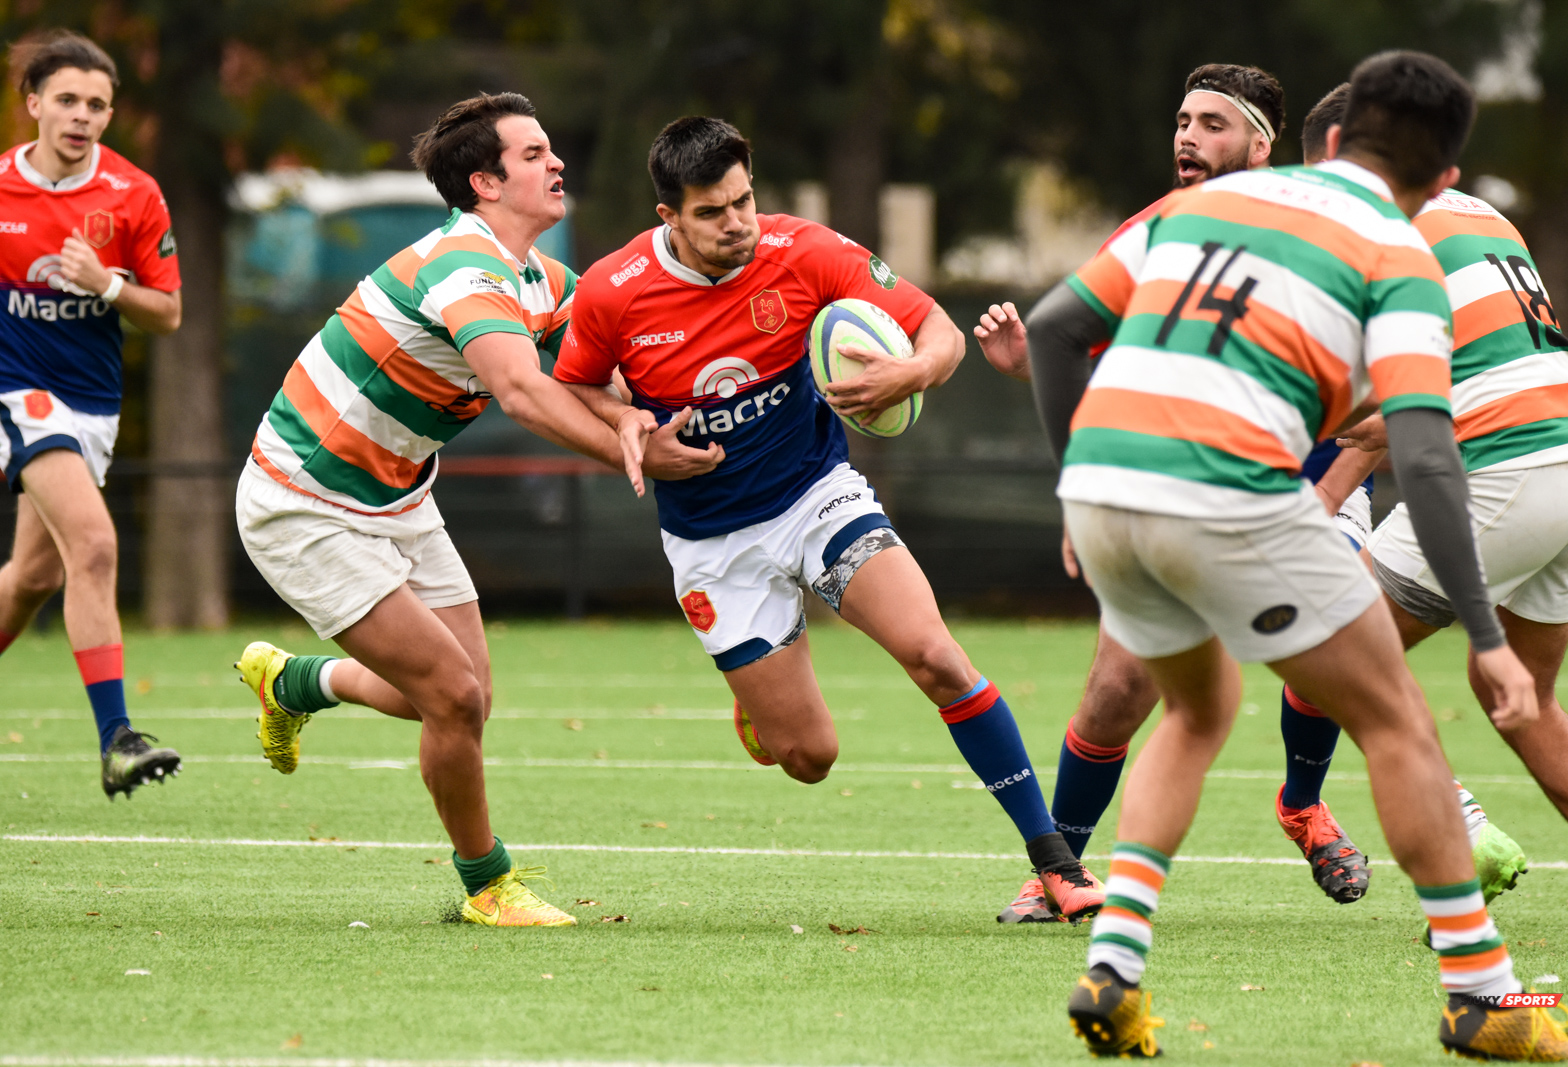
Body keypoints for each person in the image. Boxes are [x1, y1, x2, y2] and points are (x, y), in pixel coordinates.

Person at [1036, 50, 1568, 1060]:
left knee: (1195, 711)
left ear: (1329, 141)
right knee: (1395, 720)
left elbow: (1051, 328)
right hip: (1230, 488)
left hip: (1109, 481)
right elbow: (1426, 453)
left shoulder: (1201, 205)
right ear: (1443, 178)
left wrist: (1080, 483)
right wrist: (1484, 635)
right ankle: (1481, 995)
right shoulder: (1398, 251)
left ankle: (1112, 971)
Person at [554, 116, 1104, 922]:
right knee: (809, 756)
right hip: (713, 542)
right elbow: (573, 387)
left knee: (937, 657)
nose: (737, 223)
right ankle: (761, 701)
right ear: (668, 214)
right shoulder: (614, 288)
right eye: (711, 212)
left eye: (744, 200)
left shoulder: (804, 251)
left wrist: (912, 372)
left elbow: (938, 330)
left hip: (819, 498)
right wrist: (626, 427)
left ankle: (1056, 861)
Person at [233, 93, 713, 928]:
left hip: (398, 496)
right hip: (302, 504)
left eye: (550, 148)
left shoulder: (536, 276)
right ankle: (487, 885)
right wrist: (635, 451)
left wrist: (646, 410)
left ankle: (295, 681)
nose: (556, 162)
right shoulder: (464, 268)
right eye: (533, 154)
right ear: (485, 183)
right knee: (452, 696)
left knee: (467, 697)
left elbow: (596, 372)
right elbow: (523, 390)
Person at [978, 63, 1382, 917]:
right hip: (1183, 480)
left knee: (1331, 651)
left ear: (1262, 147)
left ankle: (1304, 805)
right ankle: (1060, 871)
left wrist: (1322, 501)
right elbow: (1099, 359)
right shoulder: (1153, 229)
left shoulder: (1322, 226)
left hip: (1311, 477)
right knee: (1119, 689)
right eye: (1182, 121)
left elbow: (1385, 409)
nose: (1188, 137)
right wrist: (1031, 378)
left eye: (1212, 123)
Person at [1314, 82, 1568, 896]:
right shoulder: (1481, 213)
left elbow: (1359, 395)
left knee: (1330, 642)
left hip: (1508, 467)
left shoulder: (1370, 220)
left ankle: (1460, 832)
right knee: (1523, 697)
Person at [0, 32, 184, 799]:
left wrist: (105, 284)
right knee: (95, 544)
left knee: (32, 578)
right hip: (18, 390)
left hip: (92, 406)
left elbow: (168, 313)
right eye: (68, 100)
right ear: (34, 104)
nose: (82, 115)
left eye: (97, 104)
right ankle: (117, 737)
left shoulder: (133, 193)